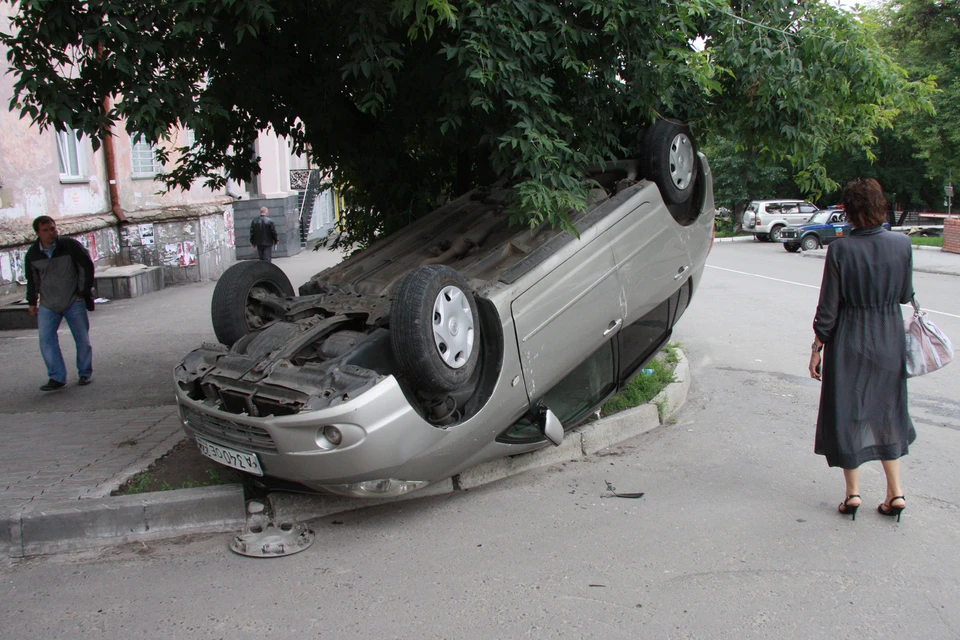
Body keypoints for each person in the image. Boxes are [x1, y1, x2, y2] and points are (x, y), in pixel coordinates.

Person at [809, 178, 915, 522]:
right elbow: (903, 295)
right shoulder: (902, 245)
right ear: (880, 206)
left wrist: (817, 347)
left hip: (849, 340)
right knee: (888, 411)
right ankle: (895, 493)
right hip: (888, 337)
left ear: (848, 212)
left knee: (848, 410)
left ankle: (853, 494)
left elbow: (828, 308)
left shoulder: (840, 249)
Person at [25, 216, 96, 391]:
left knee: (82, 339)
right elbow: (32, 279)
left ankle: (84, 373)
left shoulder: (69, 246)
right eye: (46, 230)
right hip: (48, 303)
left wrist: (82, 293)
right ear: (38, 233)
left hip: (73, 300)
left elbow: (86, 268)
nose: (51, 233)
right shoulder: (33, 254)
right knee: (46, 339)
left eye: (53, 229)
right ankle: (56, 377)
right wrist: (32, 301)